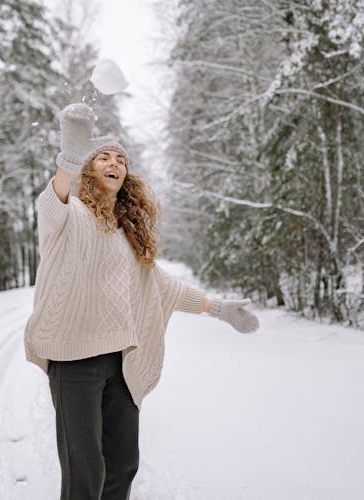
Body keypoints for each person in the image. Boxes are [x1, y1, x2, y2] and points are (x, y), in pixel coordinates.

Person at [23, 102, 259, 500]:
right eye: (102, 157)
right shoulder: (68, 215)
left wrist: (218, 309)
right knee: (85, 474)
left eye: (120, 158)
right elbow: (52, 198)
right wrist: (69, 157)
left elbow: (164, 287)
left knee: (123, 465)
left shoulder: (127, 235)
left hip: (122, 362)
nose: (113, 162)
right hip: (73, 361)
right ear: (88, 167)